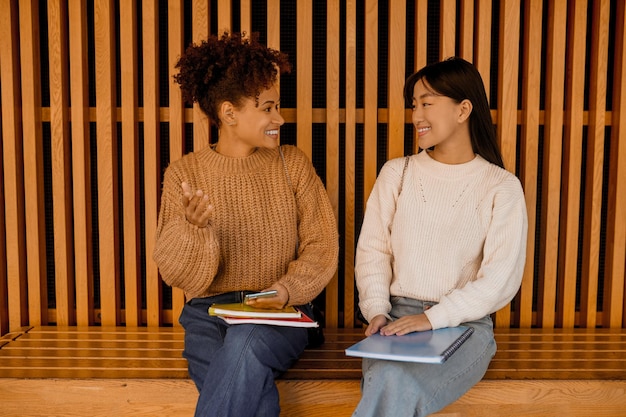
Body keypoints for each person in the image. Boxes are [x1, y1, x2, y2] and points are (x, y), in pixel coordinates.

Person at [153, 32, 338, 417]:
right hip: (207, 314)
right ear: (229, 113)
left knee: (242, 348)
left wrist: (286, 290)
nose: (279, 118)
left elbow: (322, 246)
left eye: (277, 106)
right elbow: (173, 271)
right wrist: (191, 229)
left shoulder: (293, 164)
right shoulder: (184, 173)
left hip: (280, 310)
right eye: (267, 107)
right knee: (244, 387)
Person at [353, 57, 528, 416]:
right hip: (394, 320)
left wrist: (434, 318)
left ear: (464, 109)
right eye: (414, 104)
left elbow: (499, 280)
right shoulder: (396, 173)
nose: (417, 115)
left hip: (464, 327)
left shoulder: (501, 187)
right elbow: (373, 250)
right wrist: (376, 310)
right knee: (390, 378)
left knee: (395, 385)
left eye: (427, 103)